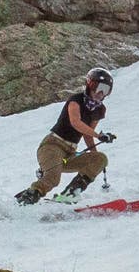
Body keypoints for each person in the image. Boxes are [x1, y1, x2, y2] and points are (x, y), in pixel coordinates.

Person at [18, 70, 115, 202]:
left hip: (69, 155)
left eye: (106, 90)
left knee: (100, 158)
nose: (100, 93)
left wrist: (94, 158)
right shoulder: (76, 100)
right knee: (53, 178)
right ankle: (26, 199)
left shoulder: (99, 109)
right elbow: (76, 123)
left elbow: (87, 134)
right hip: (53, 146)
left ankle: (69, 194)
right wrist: (99, 136)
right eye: (98, 87)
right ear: (89, 85)